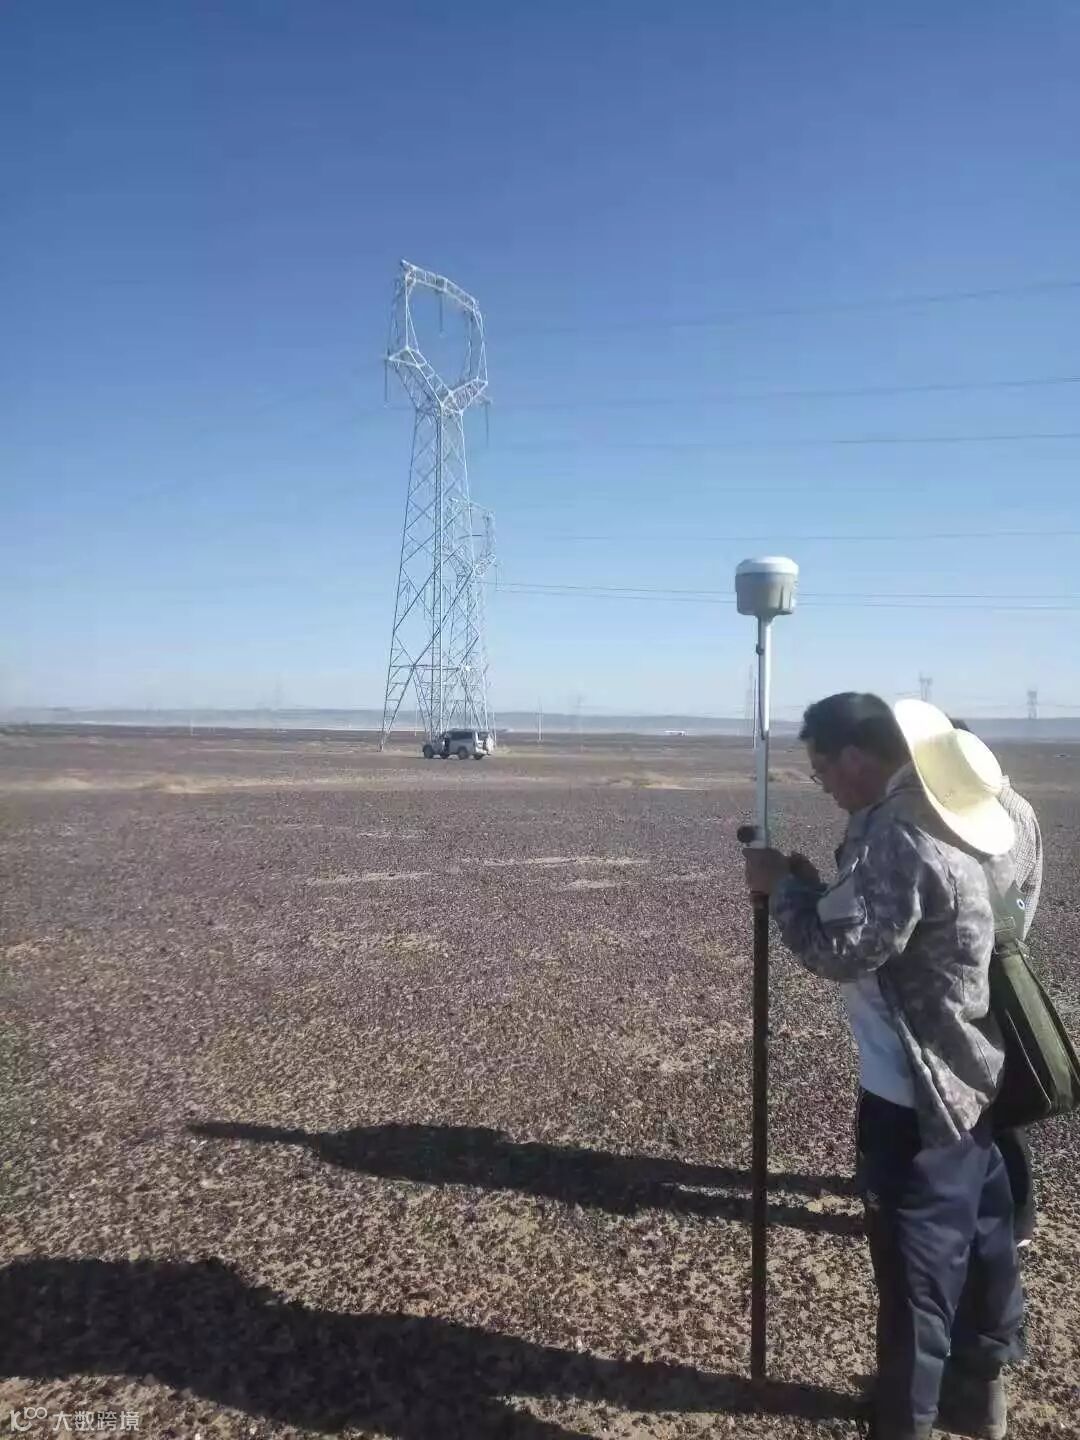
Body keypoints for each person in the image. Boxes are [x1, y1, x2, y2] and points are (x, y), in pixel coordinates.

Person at [743, 693, 1023, 1440]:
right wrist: (815, 885)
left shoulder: (901, 834)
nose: (824, 785)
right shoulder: (955, 820)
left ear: (856, 759)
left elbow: (844, 950)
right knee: (983, 1245)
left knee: (914, 1277)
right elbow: (888, 918)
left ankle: (905, 1422)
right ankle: (978, 1396)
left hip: (915, 1095)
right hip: (970, 1078)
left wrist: (780, 892)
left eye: (821, 771)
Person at [951, 719, 1044, 1249]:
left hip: (994, 968)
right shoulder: (993, 807)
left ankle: (1018, 1216)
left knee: (1001, 1098)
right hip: (985, 964)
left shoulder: (1005, 813)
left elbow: (996, 898)